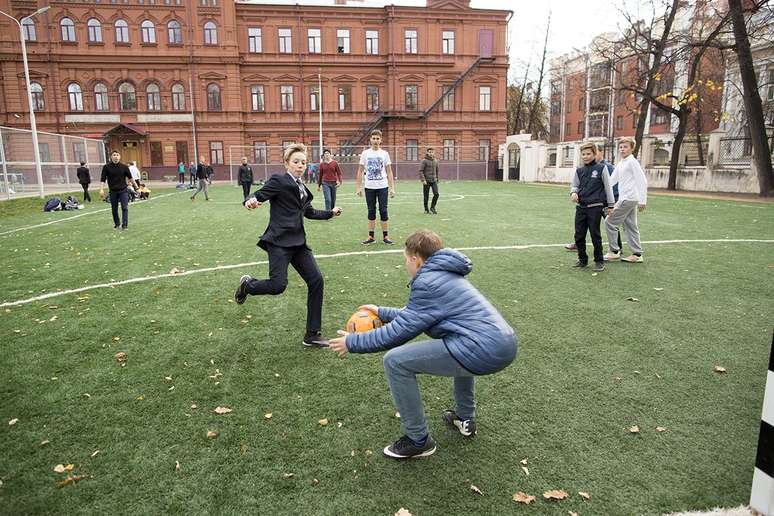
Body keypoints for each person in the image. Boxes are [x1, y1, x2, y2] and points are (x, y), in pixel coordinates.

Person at [329, 229, 517, 459]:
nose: (406, 264)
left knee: (395, 361)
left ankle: (418, 440)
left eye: (406, 259)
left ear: (415, 258)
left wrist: (353, 342)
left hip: (483, 349)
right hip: (502, 343)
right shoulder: (444, 274)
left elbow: (398, 333)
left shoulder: (428, 281)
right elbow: (416, 315)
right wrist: (381, 311)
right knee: (458, 347)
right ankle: (464, 418)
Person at [234, 143, 342, 348]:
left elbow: (309, 213)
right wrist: (250, 200)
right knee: (278, 286)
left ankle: (312, 334)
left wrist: (331, 212)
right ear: (286, 163)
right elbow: (259, 194)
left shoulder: (303, 188)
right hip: (279, 243)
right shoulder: (279, 180)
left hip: (299, 243)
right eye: (296, 162)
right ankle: (248, 285)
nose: (300, 165)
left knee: (316, 280)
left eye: (303, 162)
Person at [570, 142, 615, 272]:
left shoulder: (602, 168)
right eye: (583, 154)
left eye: (588, 154)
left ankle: (599, 261)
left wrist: (610, 205)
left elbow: (608, 188)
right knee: (579, 235)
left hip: (595, 207)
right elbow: (575, 185)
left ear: (594, 154)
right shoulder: (579, 170)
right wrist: (573, 193)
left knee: (595, 235)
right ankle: (582, 260)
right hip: (581, 207)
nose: (586, 156)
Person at [604, 137, 648, 263]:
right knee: (630, 226)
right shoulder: (622, 162)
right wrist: (601, 189)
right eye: (621, 147)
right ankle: (637, 254)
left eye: (625, 147)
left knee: (609, 221)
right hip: (626, 198)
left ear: (632, 148)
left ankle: (614, 251)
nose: (622, 149)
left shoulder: (632, 162)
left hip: (629, 198)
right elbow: (613, 180)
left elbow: (642, 181)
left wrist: (642, 200)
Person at [356, 129, 396, 245]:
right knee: (371, 211)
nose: (375, 140)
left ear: (381, 140)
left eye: (377, 138)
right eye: (373, 138)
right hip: (369, 187)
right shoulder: (365, 154)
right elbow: (360, 171)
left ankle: (386, 236)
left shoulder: (384, 154)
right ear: (370, 139)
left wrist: (392, 188)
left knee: (383, 210)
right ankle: (371, 236)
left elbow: (389, 172)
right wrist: (358, 187)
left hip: (383, 186)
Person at [99, 150, 133, 230]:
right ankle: (117, 224)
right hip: (113, 191)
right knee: (114, 209)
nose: (116, 156)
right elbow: (103, 179)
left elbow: (130, 178)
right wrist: (101, 189)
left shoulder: (124, 167)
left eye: (117, 155)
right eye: (114, 155)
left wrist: (137, 187)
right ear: (111, 157)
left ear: (120, 156)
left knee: (125, 208)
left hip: (123, 190)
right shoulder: (106, 167)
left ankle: (125, 225)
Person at [419, 147, 440, 214]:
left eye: (432, 152)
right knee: (426, 196)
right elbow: (420, 171)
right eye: (429, 152)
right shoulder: (424, 161)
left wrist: (437, 178)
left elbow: (437, 171)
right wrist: (423, 180)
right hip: (426, 181)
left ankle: (432, 207)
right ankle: (426, 209)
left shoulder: (436, 161)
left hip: (433, 180)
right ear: (427, 153)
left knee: (436, 194)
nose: (431, 153)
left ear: (434, 153)